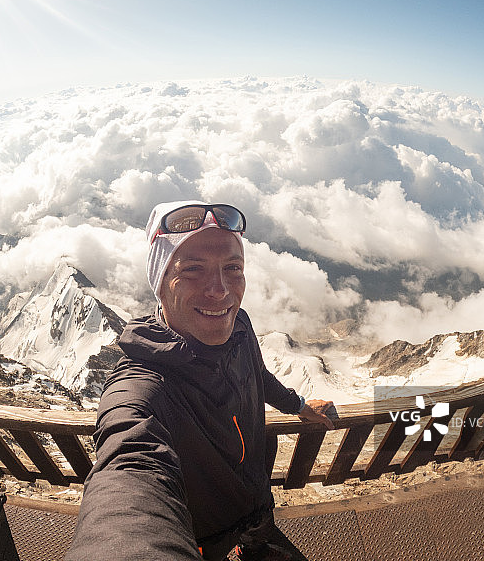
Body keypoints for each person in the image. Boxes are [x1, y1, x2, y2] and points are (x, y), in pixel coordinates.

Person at [66, 201, 335, 561]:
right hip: (203, 537)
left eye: (232, 268)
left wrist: (298, 405)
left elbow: (258, 375)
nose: (220, 290)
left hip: (256, 506)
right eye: (193, 269)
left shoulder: (239, 325)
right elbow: (128, 465)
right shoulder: (143, 385)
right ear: (160, 282)